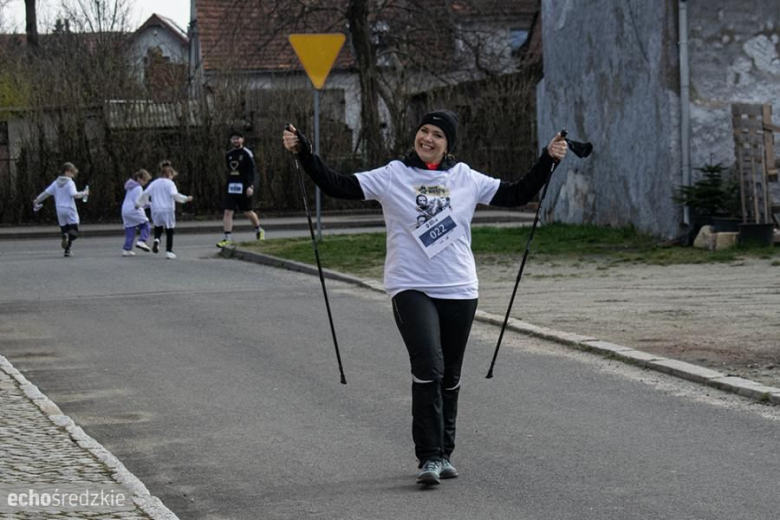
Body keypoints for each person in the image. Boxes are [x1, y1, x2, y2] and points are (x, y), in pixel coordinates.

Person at [282, 110, 567, 486]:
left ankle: (445, 452)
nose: (427, 139)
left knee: (449, 374)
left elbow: (517, 194)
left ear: (448, 144)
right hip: (410, 286)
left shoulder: (465, 177)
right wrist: (305, 153)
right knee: (429, 367)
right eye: (423, 131)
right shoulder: (392, 175)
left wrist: (548, 158)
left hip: (459, 288)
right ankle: (429, 458)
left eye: (437, 135)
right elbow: (337, 185)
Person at [216, 130, 265, 248]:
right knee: (228, 212)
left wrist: (250, 186)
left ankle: (259, 229)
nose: (235, 141)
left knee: (248, 212)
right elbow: (230, 170)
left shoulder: (247, 153)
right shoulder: (229, 154)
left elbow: (251, 171)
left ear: (242, 140)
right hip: (232, 187)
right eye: (233, 139)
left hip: (244, 187)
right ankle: (228, 237)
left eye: (238, 138)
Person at [135, 160, 193, 260]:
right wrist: (185, 199)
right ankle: (169, 251)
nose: (172, 177)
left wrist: (139, 204)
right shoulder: (170, 184)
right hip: (168, 209)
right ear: (169, 174)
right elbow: (174, 195)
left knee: (158, 227)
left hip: (156, 209)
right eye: (172, 175)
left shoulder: (154, 183)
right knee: (169, 230)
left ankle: (157, 240)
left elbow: (145, 194)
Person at [33, 162, 89, 257]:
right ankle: (67, 236)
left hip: (59, 210)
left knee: (65, 229)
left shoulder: (55, 183)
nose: (72, 175)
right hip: (69, 209)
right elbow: (74, 195)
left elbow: (46, 193)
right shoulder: (70, 183)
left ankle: (67, 251)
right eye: (72, 173)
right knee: (74, 231)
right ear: (66, 172)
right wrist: (84, 193)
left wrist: (36, 200)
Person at [121, 169, 153, 256]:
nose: (145, 183)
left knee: (130, 229)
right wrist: (151, 205)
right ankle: (142, 241)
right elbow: (139, 202)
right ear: (138, 178)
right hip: (134, 210)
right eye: (144, 180)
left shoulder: (130, 187)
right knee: (145, 225)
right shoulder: (138, 188)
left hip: (125, 210)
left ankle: (127, 249)